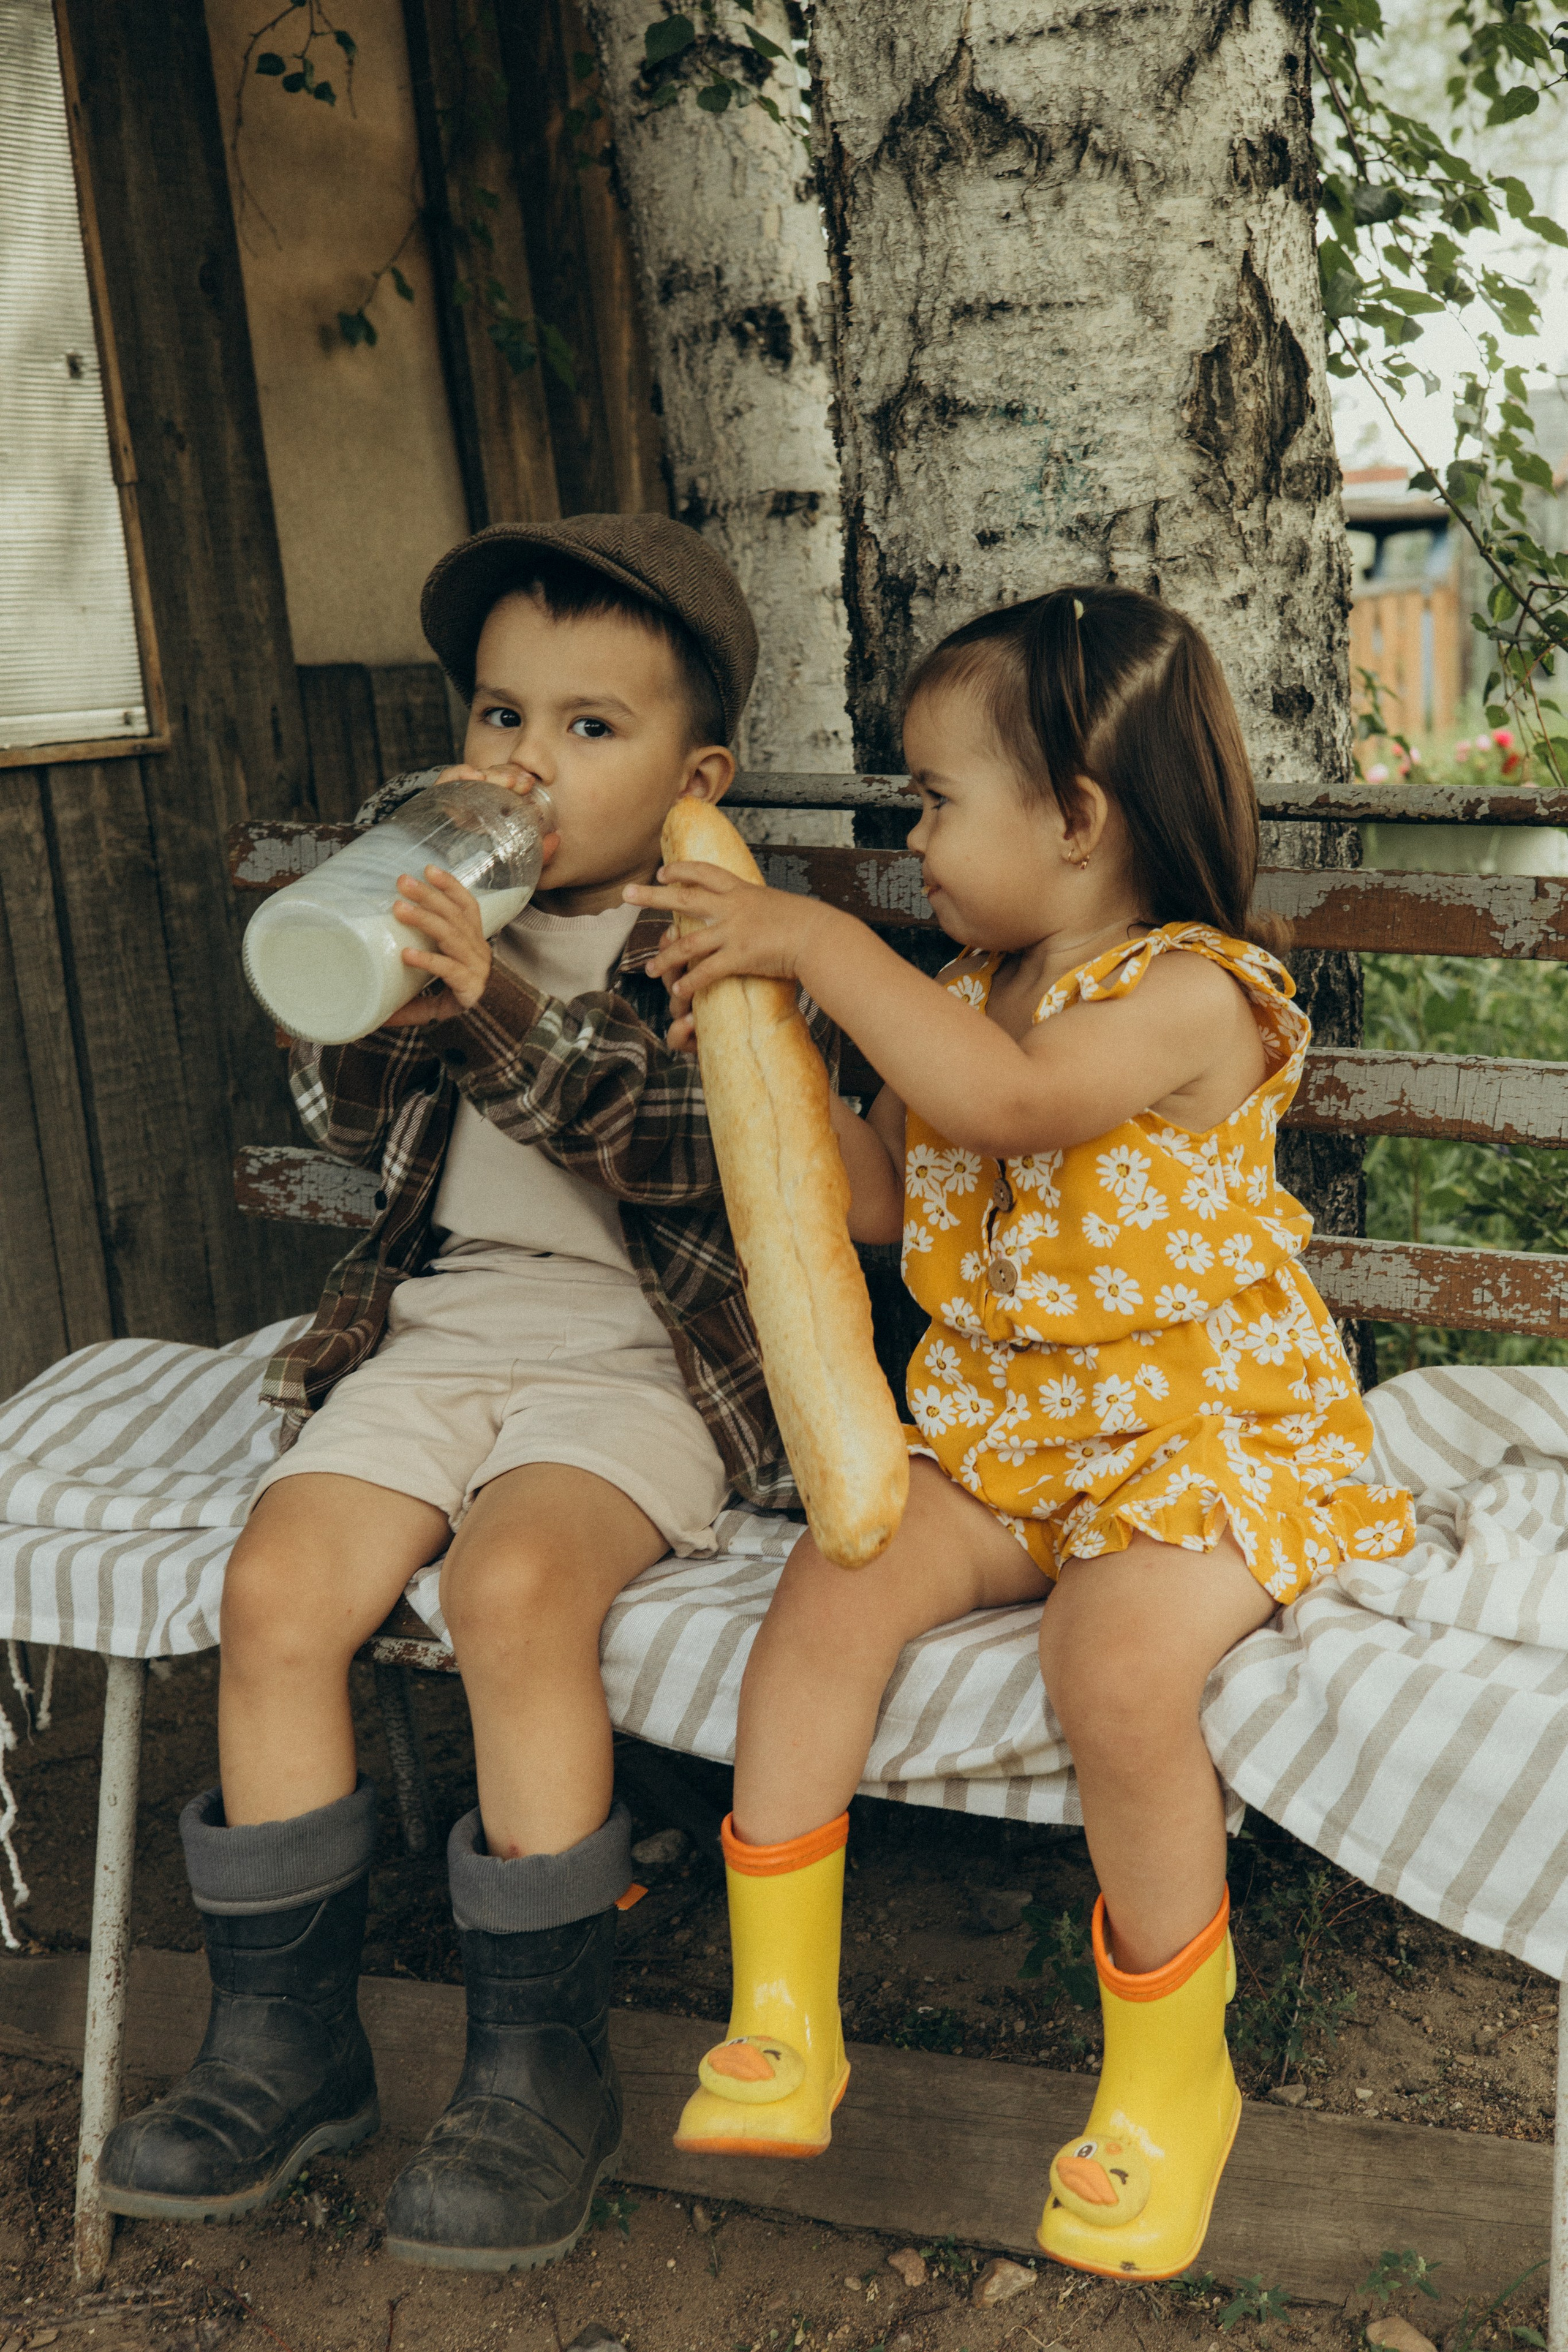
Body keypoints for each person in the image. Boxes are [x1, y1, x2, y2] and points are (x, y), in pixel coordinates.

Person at [631, 585, 1415, 2280]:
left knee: (1113, 1665)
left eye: (929, 798)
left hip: (1198, 1443)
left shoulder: (1198, 995)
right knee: (834, 1585)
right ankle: (782, 2013)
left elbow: (1018, 1109)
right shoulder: (971, 981)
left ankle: (1167, 2073)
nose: (911, 837)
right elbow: (898, 1187)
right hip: (1009, 1442)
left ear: (1076, 816)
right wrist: (760, 1063)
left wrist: (816, 949)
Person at [96, 514, 824, 2272]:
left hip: (642, 1360)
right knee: (274, 1589)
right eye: (501, 717)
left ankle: (533, 2071)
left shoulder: (715, 940)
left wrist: (490, 988)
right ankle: (288, 2045)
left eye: (591, 728)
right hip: (440, 1335)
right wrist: (346, 1006)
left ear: (693, 770)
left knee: (513, 1594)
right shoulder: (429, 899)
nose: (526, 765)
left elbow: (673, 1154)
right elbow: (356, 1142)